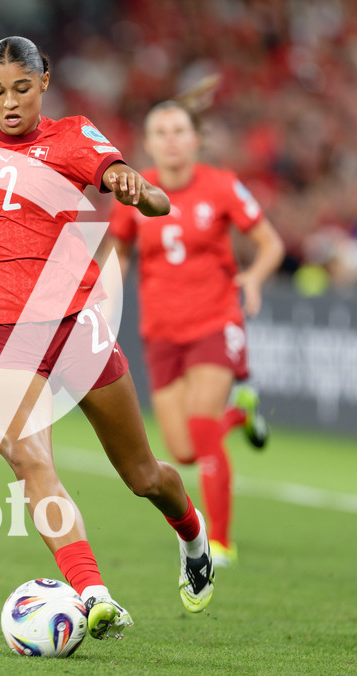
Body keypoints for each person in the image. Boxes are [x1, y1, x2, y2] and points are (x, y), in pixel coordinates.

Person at [0, 36, 216, 639]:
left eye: (21, 88)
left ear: (45, 82)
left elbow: (149, 194)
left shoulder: (71, 137)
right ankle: (93, 593)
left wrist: (137, 190)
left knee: (144, 475)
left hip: (74, 323)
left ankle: (192, 532)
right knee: (26, 455)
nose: (9, 102)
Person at [105, 99, 285, 568]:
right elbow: (120, 254)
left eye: (179, 130)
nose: (171, 139)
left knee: (203, 428)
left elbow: (271, 244)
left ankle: (221, 543)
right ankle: (242, 416)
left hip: (215, 321)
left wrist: (254, 277)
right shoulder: (134, 191)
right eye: (160, 132)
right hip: (161, 331)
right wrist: (106, 296)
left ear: (196, 139)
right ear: (147, 144)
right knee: (182, 451)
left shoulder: (222, 187)